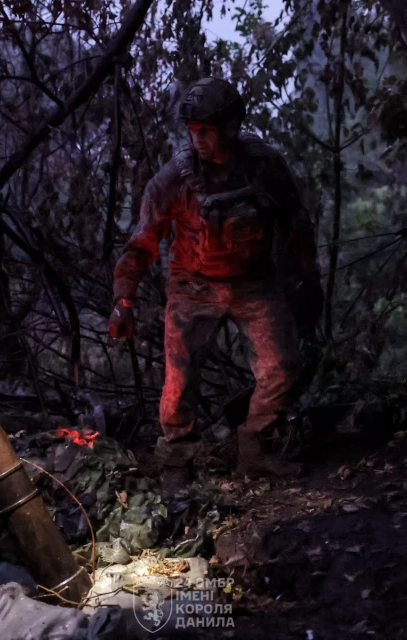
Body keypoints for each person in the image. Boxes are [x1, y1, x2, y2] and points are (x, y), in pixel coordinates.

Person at [108, 77, 322, 490]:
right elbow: (142, 243)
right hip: (193, 286)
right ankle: (177, 463)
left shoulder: (264, 167)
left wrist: (306, 277)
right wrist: (124, 299)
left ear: (231, 127)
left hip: (254, 282)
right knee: (179, 381)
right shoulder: (173, 180)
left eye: (207, 130)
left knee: (283, 366)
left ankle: (256, 447)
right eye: (192, 131)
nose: (198, 139)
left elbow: (295, 221)